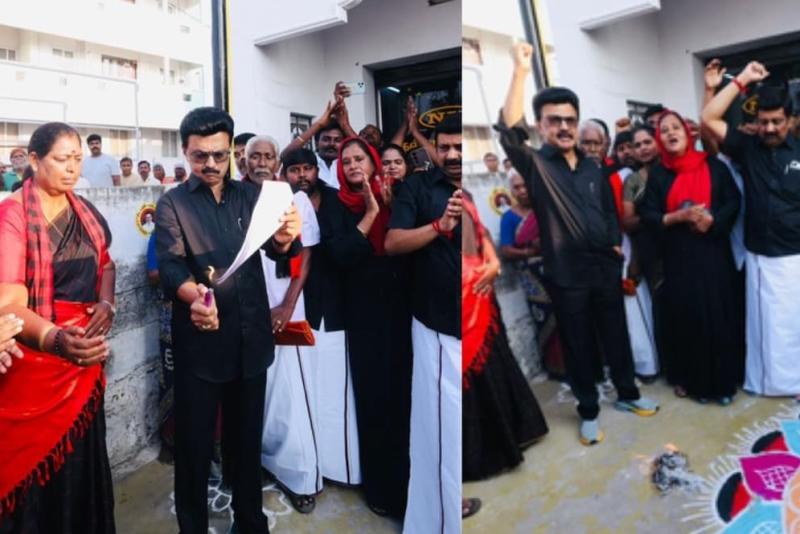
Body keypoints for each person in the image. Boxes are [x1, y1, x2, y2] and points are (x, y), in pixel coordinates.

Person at [497, 42, 658, 446]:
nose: (564, 127)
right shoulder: (536, 165)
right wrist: (520, 70)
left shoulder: (592, 166)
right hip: (567, 275)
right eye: (555, 121)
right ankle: (588, 411)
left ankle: (628, 394)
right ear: (540, 125)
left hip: (604, 268)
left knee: (616, 336)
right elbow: (509, 129)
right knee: (579, 345)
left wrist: (614, 245)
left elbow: (607, 211)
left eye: (570, 119)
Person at [155, 107, 301, 533]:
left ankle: (250, 523)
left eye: (219, 155)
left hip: (251, 339)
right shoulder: (172, 204)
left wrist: (285, 239)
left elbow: (278, 250)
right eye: (200, 156)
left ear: (232, 152)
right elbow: (171, 267)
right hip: (201, 343)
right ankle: (193, 526)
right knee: (195, 447)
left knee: (246, 442)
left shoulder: (252, 197)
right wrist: (194, 297)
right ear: (185, 152)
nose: (211, 164)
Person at [0, 121, 117, 532]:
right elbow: (10, 302)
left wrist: (106, 302)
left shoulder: (84, 212)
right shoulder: (13, 216)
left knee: (81, 461)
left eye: (77, 159)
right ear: (34, 161)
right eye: (61, 159)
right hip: (36, 365)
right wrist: (57, 340)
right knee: (35, 467)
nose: (72, 169)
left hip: (84, 360)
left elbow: (106, 264)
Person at [317, 136, 413, 519]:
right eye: (347, 161)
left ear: (374, 163)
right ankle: (383, 489)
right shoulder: (336, 205)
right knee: (375, 397)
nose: (354, 165)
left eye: (361, 158)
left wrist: (386, 205)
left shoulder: (397, 195)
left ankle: (412, 486)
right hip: (363, 311)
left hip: (402, 306)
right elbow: (339, 255)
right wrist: (371, 213)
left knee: (405, 394)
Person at [385, 113, 465, 532]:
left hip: (479, 325)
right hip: (438, 327)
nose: (452, 155)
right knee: (440, 431)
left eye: (460, 147)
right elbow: (393, 242)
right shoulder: (418, 187)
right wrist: (440, 225)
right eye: (444, 146)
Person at [702, 60, 800, 396]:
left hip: (797, 257)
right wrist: (742, 79)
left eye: (777, 122)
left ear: (791, 120)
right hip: (763, 260)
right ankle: (773, 384)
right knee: (769, 329)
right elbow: (709, 118)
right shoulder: (746, 147)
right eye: (763, 122)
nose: (769, 128)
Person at [638, 110, 741, 403]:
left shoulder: (714, 166)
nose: (671, 133)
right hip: (679, 257)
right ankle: (692, 382)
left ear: (687, 132)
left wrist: (712, 220)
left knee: (719, 315)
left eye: (676, 127)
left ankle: (723, 384)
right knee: (687, 318)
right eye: (664, 130)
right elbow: (648, 214)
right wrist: (677, 217)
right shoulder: (659, 175)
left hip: (714, 252)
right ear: (660, 140)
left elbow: (733, 201)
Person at [249, 140, 324, 514]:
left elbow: (305, 254)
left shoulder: (296, 200)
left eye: (268, 156)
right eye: (254, 156)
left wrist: (288, 305)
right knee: (262, 392)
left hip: (287, 308)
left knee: (293, 391)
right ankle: (265, 461)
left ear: (277, 162)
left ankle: (302, 477)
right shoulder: (238, 199)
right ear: (243, 161)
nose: (261, 162)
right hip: (251, 311)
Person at [287, 148, 361, 489]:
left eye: (308, 168)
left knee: (337, 391)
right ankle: (311, 463)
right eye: (295, 170)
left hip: (337, 308)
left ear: (317, 171)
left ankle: (341, 468)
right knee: (307, 391)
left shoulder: (338, 201)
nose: (302, 175)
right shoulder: (281, 205)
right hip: (298, 309)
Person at [462, 186, 548, 481]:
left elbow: (482, 233)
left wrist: (493, 262)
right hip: (460, 296)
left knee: (495, 362)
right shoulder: (426, 195)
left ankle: (517, 434)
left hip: (480, 294)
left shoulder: (464, 196)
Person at [499, 173, 566, 379]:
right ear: (512, 191)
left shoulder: (546, 209)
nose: (522, 191)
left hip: (559, 270)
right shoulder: (509, 218)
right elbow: (506, 250)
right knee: (545, 318)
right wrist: (531, 251)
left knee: (569, 316)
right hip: (532, 277)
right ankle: (556, 367)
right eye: (516, 187)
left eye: (525, 185)